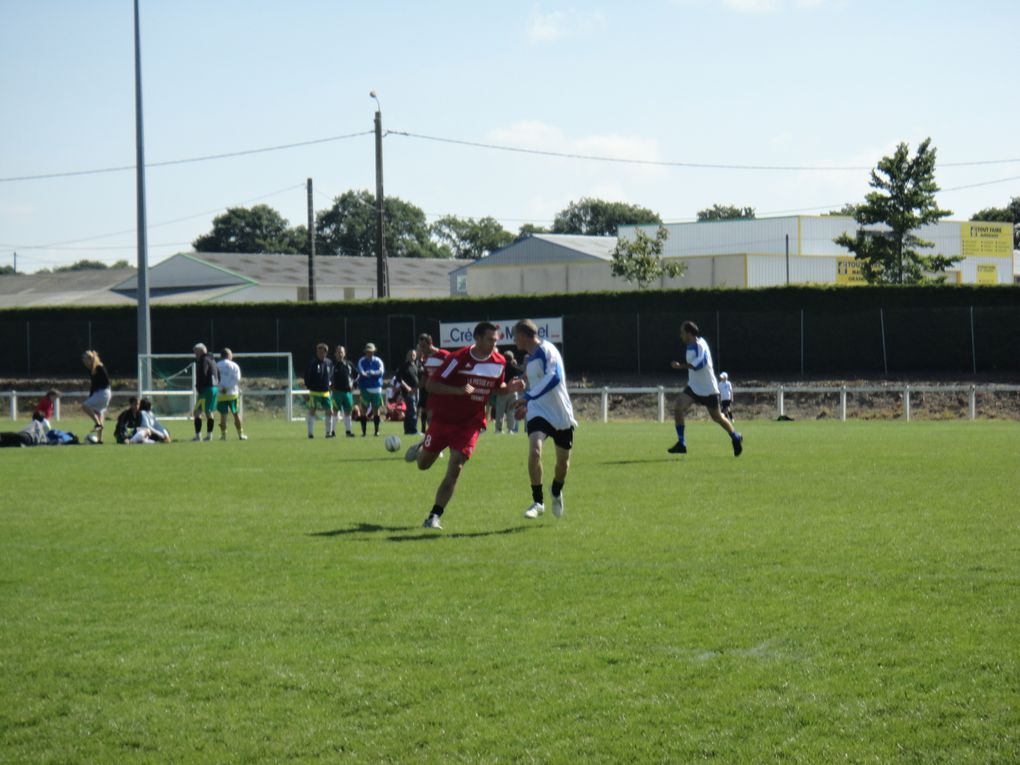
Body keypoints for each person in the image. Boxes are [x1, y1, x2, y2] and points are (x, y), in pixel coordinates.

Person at [406, 321, 519, 531]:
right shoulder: (457, 358)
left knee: (456, 465)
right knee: (423, 465)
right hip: (443, 420)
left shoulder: (499, 361)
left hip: (470, 423)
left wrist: (508, 387)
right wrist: (459, 391)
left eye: (496, 341)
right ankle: (422, 447)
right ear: (477, 339)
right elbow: (431, 385)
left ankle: (434, 516)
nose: (494, 345)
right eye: (490, 340)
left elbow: (497, 388)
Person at [512, 319, 578, 520]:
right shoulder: (529, 359)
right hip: (538, 411)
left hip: (560, 413)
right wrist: (526, 401)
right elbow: (535, 385)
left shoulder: (547, 349)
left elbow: (554, 377)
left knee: (563, 464)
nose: (514, 340)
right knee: (535, 451)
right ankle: (538, 501)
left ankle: (556, 491)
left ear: (524, 335)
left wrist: (528, 397)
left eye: (515, 335)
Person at [668, 321, 743, 457]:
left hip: (709, 389)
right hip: (694, 387)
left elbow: (700, 364)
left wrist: (680, 366)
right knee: (678, 407)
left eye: (683, 333)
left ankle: (735, 436)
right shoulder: (690, 345)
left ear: (689, 334)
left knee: (718, 417)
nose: (681, 335)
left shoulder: (700, 345)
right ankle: (681, 443)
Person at [415, 333, 450, 433]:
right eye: (420, 347)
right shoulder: (426, 359)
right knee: (430, 418)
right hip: (433, 393)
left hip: (445, 393)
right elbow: (425, 376)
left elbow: (454, 369)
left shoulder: (444, 355)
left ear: (430, 344)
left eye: (423, 346)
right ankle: (436, 439)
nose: (422, 349)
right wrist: (415, 388)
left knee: (445, 419)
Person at [303, 343, 334, 439]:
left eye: (322, 351)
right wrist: (307, 389)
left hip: (326, 392)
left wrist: (331, 385)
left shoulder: (329, 363)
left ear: (326, 352)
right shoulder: (312, 363)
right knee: (312, 411)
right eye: (318, 351)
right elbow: (306, 377)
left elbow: (331, 376)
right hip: (314, 392)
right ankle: (310, 433)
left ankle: (328, 433)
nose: (320, 353)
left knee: (330, 411)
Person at [216, 348, 248, 440]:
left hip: (221, 394)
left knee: (223, 414)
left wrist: (221, 388)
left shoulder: (217, 366)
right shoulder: (234, 365)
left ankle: (223, 435)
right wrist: (228, 388)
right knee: (236, 413)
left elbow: (214, 379)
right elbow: (237, 379)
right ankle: (240, 434)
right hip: (232, 393)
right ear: (229, 355)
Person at [81, 350, 111, 444]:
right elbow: (93, 385)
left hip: (103, 392)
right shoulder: (91, 369)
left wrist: (97, 391)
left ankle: (98, 424)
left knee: (85, 406)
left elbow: (107, 381)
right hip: (102, 393)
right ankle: (100, 439)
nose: (84, 361)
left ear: (90, 359)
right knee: (99, 414)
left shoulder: (99, 366)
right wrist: (91, 396)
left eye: (85, 359)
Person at [191, 343, 220, 441]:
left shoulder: (203, 360)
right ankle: (209, 435)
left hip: (206, 389)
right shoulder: (212, 359)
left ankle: (198, 436)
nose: (195, 354)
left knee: (197, 412)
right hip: (214, 388)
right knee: (209, 411)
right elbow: (218, 373)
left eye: (196, 352)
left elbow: (203, 373)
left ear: (200, 351)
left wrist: (199, 387)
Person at [356, 342, 385, 437]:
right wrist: (372, 374)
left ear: (374, 351)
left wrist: (371, 372)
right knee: (363, 409)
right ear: (365, 352)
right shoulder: (361, 361)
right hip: (365, 389)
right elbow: (362, 373)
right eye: (368, 351)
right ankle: (363, 432)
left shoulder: (378, 361)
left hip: (376, 389)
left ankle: (376, 431)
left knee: (376, 410)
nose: (370, 353)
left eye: (371, 351)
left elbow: (381, 372)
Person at [493, 350, 523, 434]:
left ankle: (498, 429)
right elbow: (520, 374)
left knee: (500, 411)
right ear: (512, 358)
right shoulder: (514, 367)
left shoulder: (501, 366)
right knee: (511, 411)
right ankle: (510, 429)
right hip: (513, 391)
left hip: (502, 390)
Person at [331, 345, 358, 438]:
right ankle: (332, 432)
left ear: (344, 353)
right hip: (336, 392)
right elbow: (329, 378)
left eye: (341, 352)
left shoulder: (349, 364)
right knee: (334, 411)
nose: (340, 354)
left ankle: (348, 431)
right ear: (335, 354)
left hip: (347, 393)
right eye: (338, 352)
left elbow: (357, 375)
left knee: (348, 412)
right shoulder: (332, 366)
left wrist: (354, 385)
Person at [396, 348, 420, 435]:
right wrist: (407, 387)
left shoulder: (416, 365)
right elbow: (399, 378)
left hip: (416, 391)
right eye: (410, 355)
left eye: (413, 355)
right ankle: (413, 430)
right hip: (409, 392)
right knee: (412, 410)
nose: (412, 356)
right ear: (407, 356)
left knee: (413, 411)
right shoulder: (404, 366)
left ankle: (408, 430)